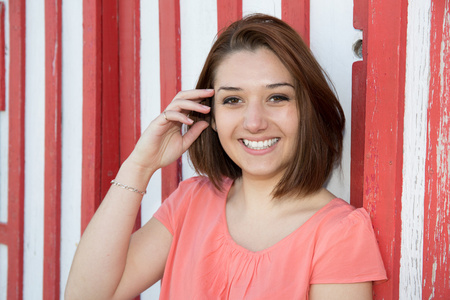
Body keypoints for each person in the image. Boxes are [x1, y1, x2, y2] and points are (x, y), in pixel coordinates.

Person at [65, 14, 386, 300]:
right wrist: (139, 166)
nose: (255, 122)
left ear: (307, 109)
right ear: (212, 117)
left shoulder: (338, 235)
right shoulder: (191, 202)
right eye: (233, 100)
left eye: (277, 97)